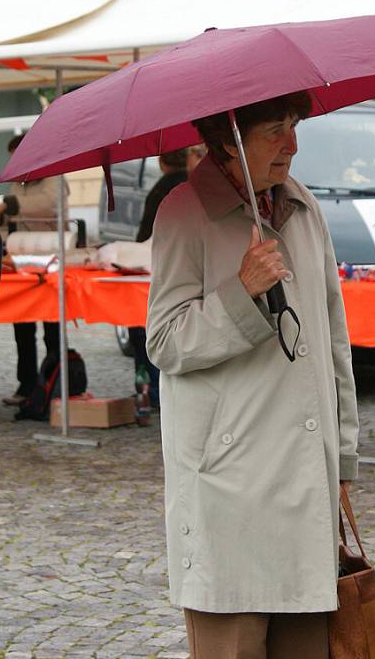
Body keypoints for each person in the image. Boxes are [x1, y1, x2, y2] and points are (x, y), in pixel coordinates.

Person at [145, 91, 359, 659]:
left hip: (303, 483)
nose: (292, 144)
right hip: (228, 490)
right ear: (226, 137)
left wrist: (344, 457)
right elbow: (165, 342)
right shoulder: (184, 212)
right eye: (274, 131)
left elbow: (333, 338)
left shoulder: (303, 207)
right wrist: (240, 293)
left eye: (294, 127)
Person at [0, 134, 68, 406]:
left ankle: (54, 384)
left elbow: (48, 206)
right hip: (22, 260)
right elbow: (10, 216)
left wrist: (10, 206)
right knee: (22, 328)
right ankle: (26, 385)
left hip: (50, 261)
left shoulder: (54, 176)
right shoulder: (18, 182)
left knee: (53, 327)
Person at [127, 149, 189, 408]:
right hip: (179, 266)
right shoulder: (192, 185)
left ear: (161, 162)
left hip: (158, 268)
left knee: (145, 330)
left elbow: (146, 234)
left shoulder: (163, 189)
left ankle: (151, 389)